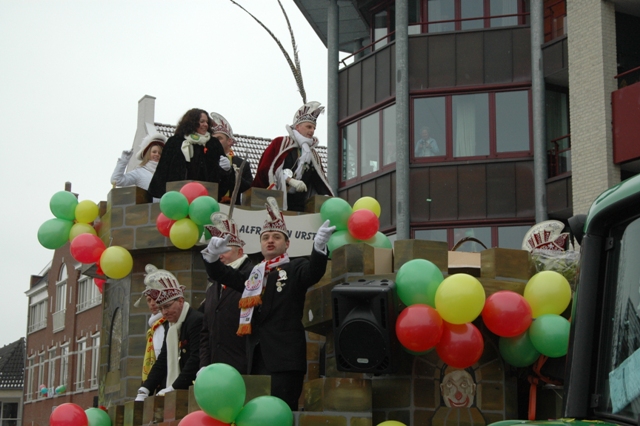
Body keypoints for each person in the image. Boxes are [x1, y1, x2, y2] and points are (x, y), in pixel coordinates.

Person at [201, 197, 335, 411]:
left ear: (287, 244)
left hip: (284, 360)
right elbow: (223, 275)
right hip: (255, 359)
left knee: (281, 413)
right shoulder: (253, 274)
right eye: (265, 237)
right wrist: (212, 257)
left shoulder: (295, 268)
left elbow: (314, 272)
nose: (270, 241)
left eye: (276, 237)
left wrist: (319, 248)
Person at [135, 265, 203, 401]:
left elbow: (195, 359)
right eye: (161, 308)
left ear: (181, 301)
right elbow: (163, 359)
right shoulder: (170, 326)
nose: (164, 312)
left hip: (194, 389)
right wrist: (145, 388)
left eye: (167, 306)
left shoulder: (195, 320)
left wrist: (174, 387)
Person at [252, 101, 334, 212]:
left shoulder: (313, 155)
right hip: (275, 200)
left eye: (314, 128)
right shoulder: (281, 143)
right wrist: (289, 180)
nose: (312, 131)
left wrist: (327, 198)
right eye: (309, 127)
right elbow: (267, 169)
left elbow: (319, 180)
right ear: (298, 127)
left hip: (299, 205)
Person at [199, 214, 253, 374]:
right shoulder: (213, 286)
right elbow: (206, 332)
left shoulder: (253, 276)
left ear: (240, 251)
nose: (220, 254)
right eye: (217, 250)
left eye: (225, 249)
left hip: (244, 366)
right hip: (215, 369)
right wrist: (204, 365)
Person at [147, 108, 231, 199]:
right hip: (177, 195)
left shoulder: (213, 144)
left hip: (205, 195)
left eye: (207, 122)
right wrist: (158, 194)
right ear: (192, 122)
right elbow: (163, 169)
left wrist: (226, 170)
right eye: (202, 121)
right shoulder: (175, 142)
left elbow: (221, 174)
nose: (205, 125)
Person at [210, 112, 253, 204]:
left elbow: (249, 190)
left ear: (229, 141)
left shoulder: (242, 164)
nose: (215, 142)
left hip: (235, 209)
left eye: (219, 138)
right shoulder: (206, 161)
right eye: (213, 139)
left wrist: (232, 173)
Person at [136, 290, 168, 383]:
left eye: (155, 298)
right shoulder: (153, 326)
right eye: (149, 300)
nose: (152, 303)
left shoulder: (169, 322)